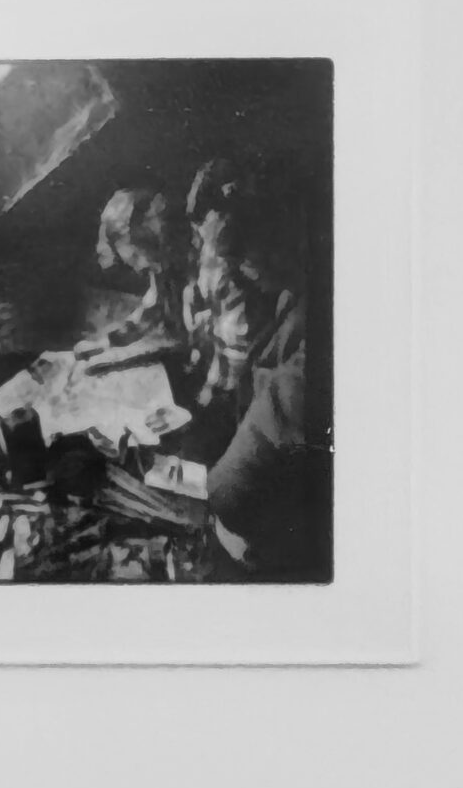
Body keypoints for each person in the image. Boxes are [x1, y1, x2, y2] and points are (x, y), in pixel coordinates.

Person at [183, 157, 329, 580]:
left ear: (278, 236)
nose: (233, 271)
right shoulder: (289, 293)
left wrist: (222, 493)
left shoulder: (319, 331)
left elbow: (233, 490)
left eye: (240, 256)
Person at [81, 187, 194, 355]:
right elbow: (151, 309)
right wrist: (107, 343)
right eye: (131, 262)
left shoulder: (201, 262)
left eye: (136, 256)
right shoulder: (161, 269)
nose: (140, 267)